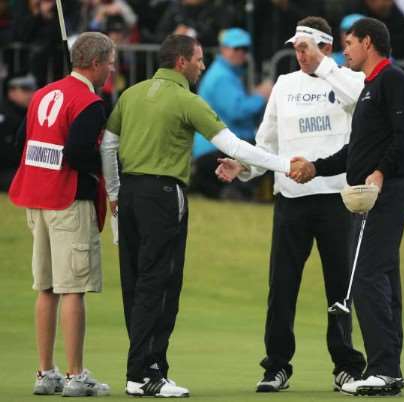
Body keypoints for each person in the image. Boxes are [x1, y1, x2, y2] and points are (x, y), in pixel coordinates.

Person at [100, 34, 303, 398]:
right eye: (198, 59)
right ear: (181, 62)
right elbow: (236, 147)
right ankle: (144, 372)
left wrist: (114, 192)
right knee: (160, 284)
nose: (203, 65)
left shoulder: (131, 94)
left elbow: (109, 145)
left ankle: (146, 368)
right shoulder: (186, 100)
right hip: (163, 196)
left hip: (129, 194)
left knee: (135, 282)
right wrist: (288, 164)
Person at [216, 16, 366, 393]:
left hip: (336, 198)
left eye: (305, 48)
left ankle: (346, 365)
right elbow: (265, 142)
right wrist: (245, 167)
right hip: (292, 201)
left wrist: (326, 67)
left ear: (326, 48)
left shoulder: (349, 79)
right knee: (281, 287)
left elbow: (358, 98)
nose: (298, 55)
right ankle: (277, 366)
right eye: (296, 48)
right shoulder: (284, 85)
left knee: (340, 290)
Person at [291, 17, 404, 396]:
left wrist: (379, 173)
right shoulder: (370, 87)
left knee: (365, 278)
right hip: (372, 195)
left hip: (385, 194)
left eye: (348, 43)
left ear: (368, 42)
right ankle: (389, 370)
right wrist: (316, 168)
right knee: (382, 280)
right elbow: (356, 152)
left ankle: (382, 369)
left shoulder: (393, 81)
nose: (344, 49)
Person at [8, 32, 115, 397]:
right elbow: (77, 152)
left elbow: (23, 137)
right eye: (110, 61)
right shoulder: (89, 102)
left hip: (37, 198)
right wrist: (103, 168)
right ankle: (74, 375)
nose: (112, 68)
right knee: (72, 290)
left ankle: (45, 372)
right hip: (68, 200)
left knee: (47, 288)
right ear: (96, 63)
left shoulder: (41, 93)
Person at [192, 27, 272, 199]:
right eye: (237, 48)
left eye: (245, 49)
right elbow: (237, 112)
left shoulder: (227, 73)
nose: (241, 53)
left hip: (216, 147)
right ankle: (236, 192)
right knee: (265, 155)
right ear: (224, 49)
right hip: (216, 148)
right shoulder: (222, 76)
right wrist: (260, 96)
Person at [0, 74, 36, 191]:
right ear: (11, 91)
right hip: (7, 171)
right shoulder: (5, 118)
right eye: (25, 89)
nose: (30, 94)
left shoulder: (30, 113)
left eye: (32, 89)